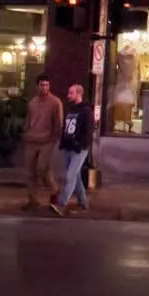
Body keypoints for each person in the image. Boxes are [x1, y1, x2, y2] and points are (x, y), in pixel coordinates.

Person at [51, 82, 95, 216]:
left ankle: (61, 204)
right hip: (68, 148)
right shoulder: (71, 110)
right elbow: (66, 127)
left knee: (70, 176)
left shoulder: (86, 111)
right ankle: (83, 201)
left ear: (79, 94)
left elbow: (88, 131)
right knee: (75, 176)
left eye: (71, 93)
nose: (68, 95)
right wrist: (63, 143)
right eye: (69, 93)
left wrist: (79, 145)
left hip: (79, 149)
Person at [22, 78, 63, 210]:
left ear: (49, 86)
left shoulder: (55, 102)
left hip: (47, 141)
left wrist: (55, 137)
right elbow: (28, 120)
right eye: (41, 85)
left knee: (42, 168)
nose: (44, 87)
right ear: (37, 86)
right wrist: (26, 134)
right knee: (30, 172)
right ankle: (33, 199)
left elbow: (59, 122)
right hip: (31, 140)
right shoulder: (32, 103)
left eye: (46, 85)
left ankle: (54, 190)